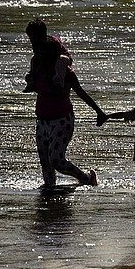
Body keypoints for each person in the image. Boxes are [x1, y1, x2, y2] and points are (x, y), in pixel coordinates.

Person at [33, 37, 104, 188]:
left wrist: (98, 111)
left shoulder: (66, 73)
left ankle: (87, 178)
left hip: (62, 121)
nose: (41, 57)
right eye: (39, 53)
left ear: (54, 56)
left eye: (45, 54)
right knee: (45, 162)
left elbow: (81, 93)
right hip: (42, 121)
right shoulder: (38, 68)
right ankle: (49, 191)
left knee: (56, 160)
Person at [24, 18, 72, 93]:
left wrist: (49, 71)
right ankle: (31, 81)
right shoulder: (36, 43)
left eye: (33, 37)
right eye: (30, 37)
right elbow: (37, 56)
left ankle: (57, 83)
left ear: (42, 34)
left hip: (62, 58)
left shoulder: (53, 42)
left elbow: (56, 55)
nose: (31, 40)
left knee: (60, 61)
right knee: (34, 59)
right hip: (47, 58)